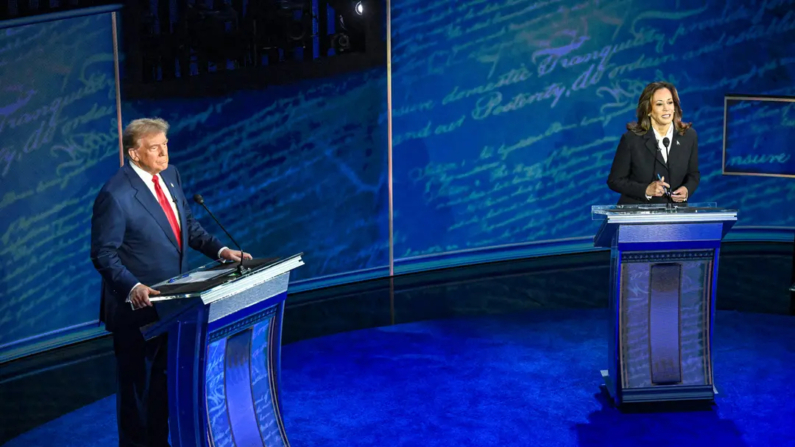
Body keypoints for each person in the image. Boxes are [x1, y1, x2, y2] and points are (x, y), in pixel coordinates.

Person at [90, 118, 251, 447]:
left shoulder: (171, 176)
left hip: (176, 304)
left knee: (163, 386)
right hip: (138, 310)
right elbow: (103, 254)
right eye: (155, 148)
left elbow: (187, 227)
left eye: (165, 145)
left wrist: (220, 250)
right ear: (135, 154)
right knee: (138, 393)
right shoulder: (115, 194)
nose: (164, 153)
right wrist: (133, 287)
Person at [607, 81, 700, 204]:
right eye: (659, 104)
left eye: (670, 102)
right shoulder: (631, 140)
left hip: (675, 216)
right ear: (649, 110)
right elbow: (615, 180)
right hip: (637, 215)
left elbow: (693, 174)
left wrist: (687, 190)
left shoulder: (689, 136)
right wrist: (646, 190)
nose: (666, 108)